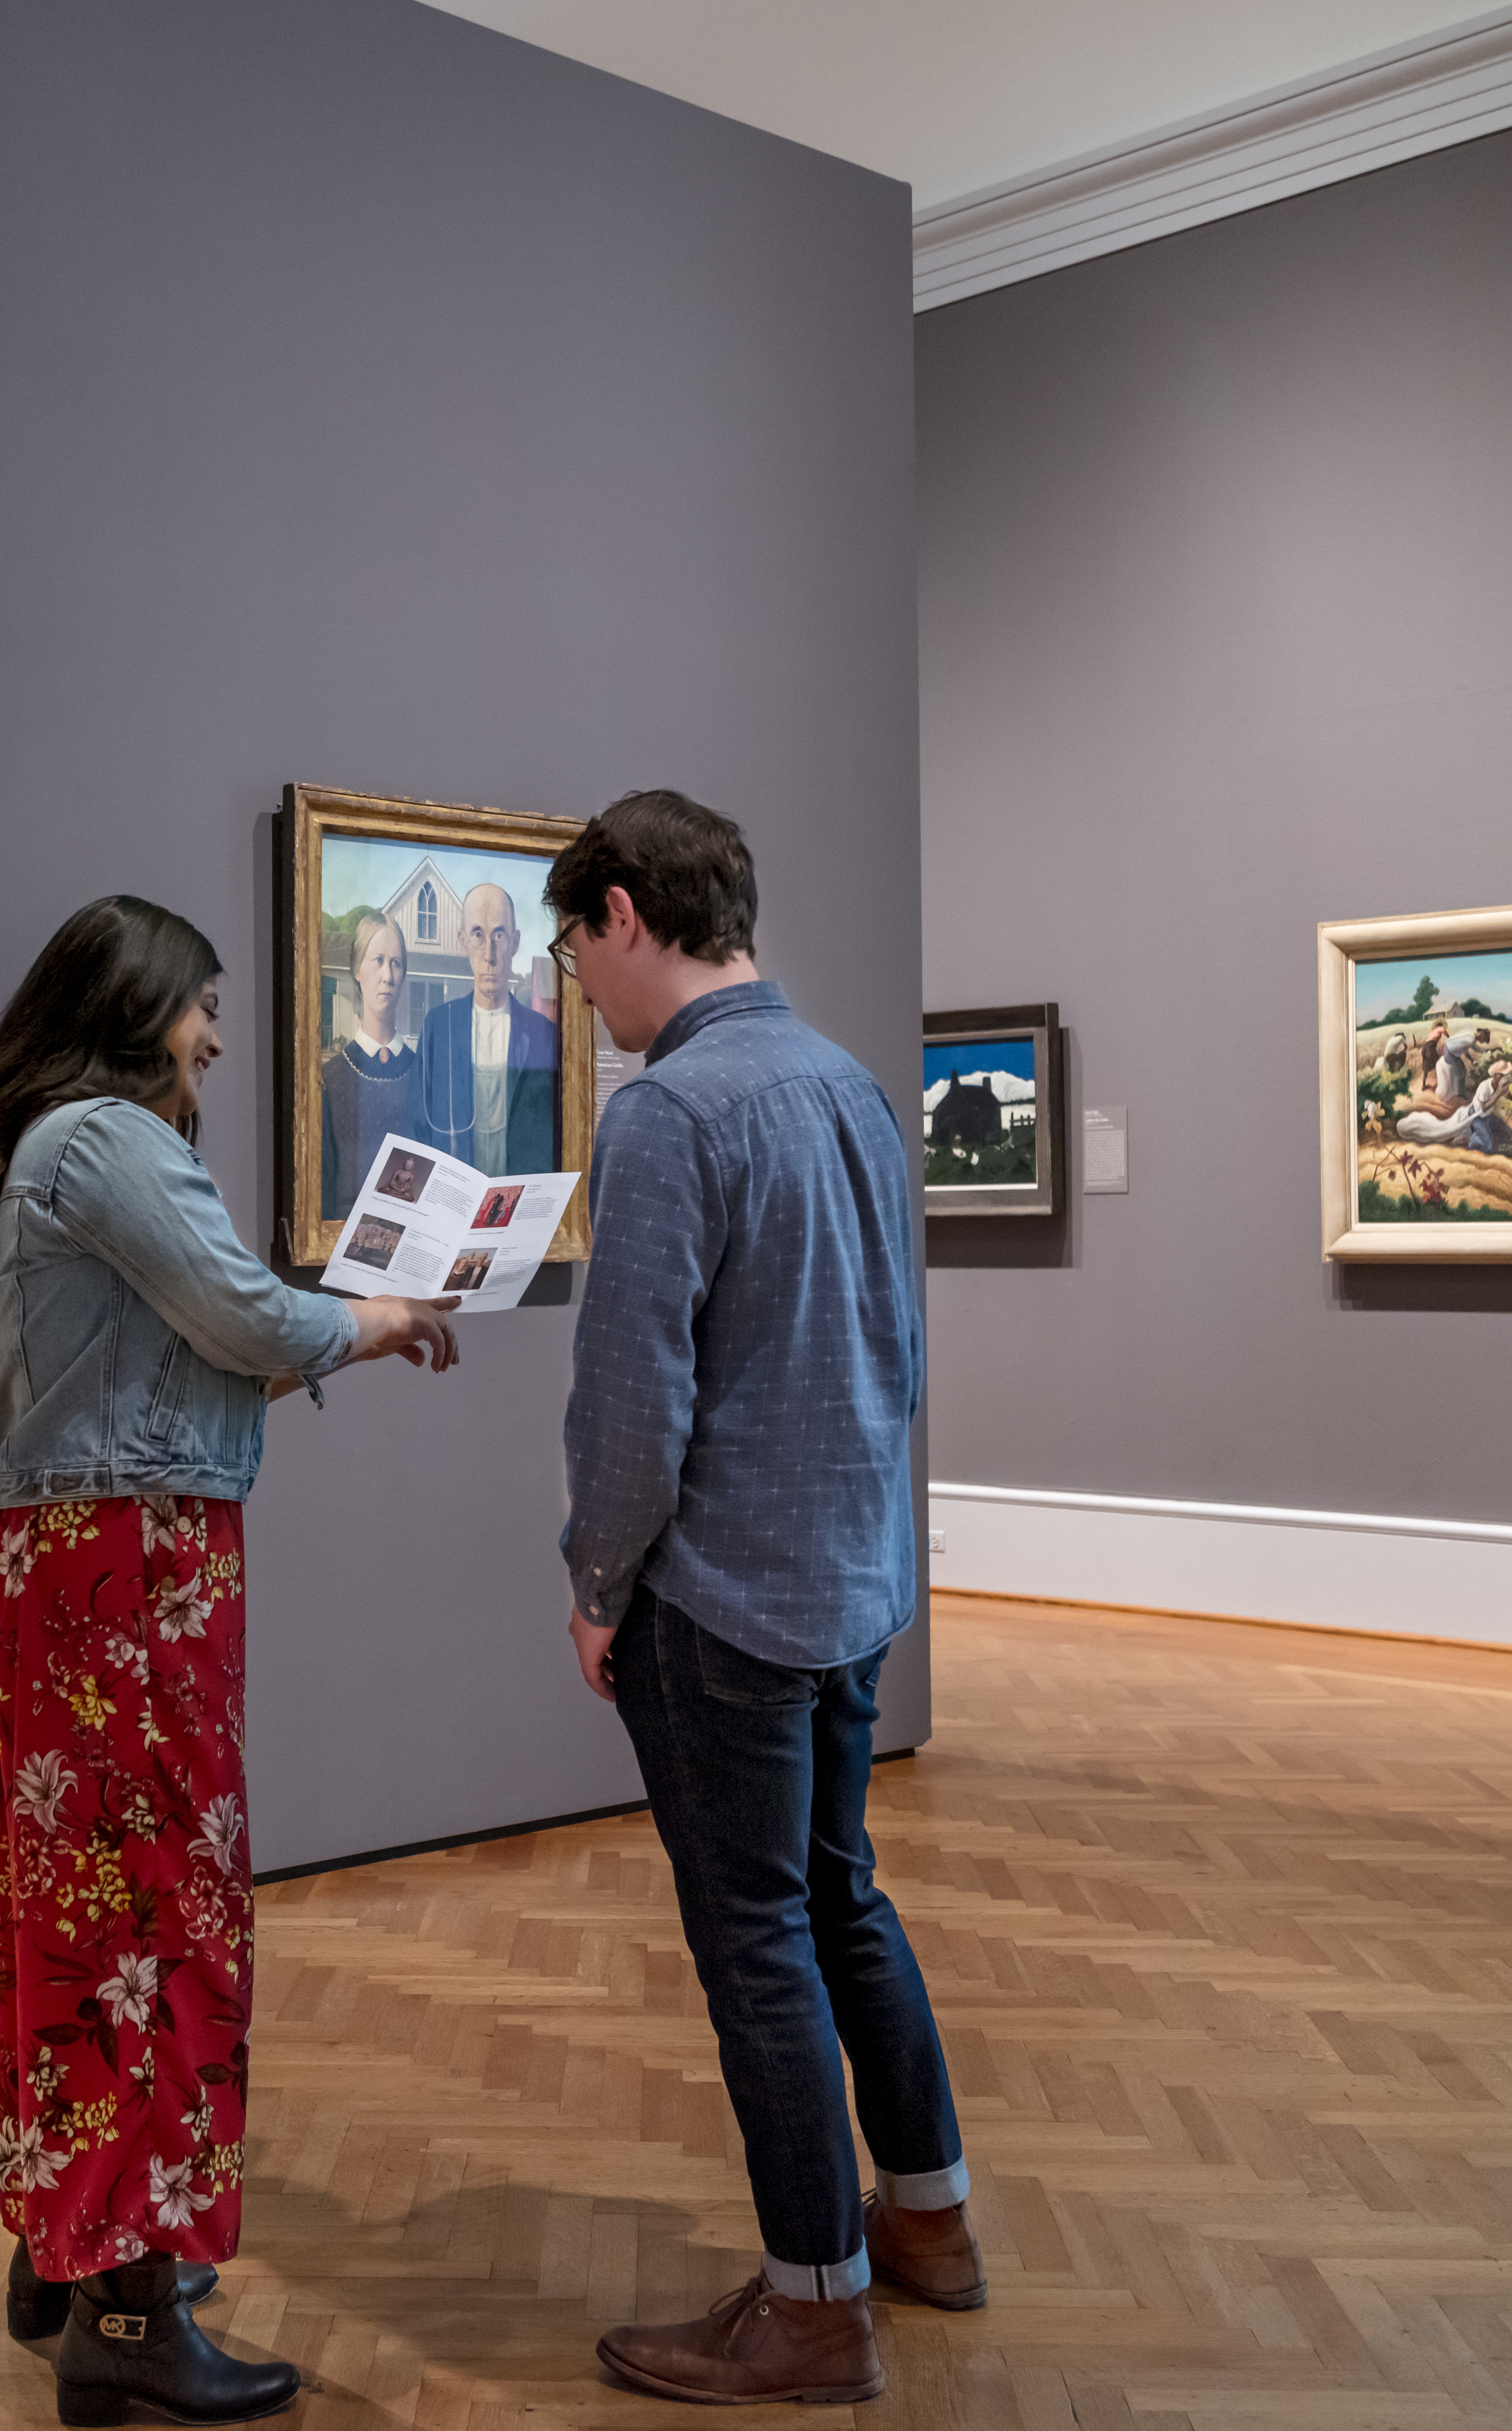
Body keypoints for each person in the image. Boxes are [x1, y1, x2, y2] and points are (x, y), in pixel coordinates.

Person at [0, 895, 460, 2427]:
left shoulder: (41, 1150)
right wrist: (373, 1315)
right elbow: (236, 1310)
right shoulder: (106, 1140)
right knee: (154, 1919)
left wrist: (314, 1329)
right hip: (129, 1572)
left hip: (62, 1560)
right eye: (201, 1005)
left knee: (66, 1906)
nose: (216, 1035)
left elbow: (178, 1338)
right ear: (135, 1003)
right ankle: (128, 2305)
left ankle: (71, 2241)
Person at [542, 793, 973, 2406]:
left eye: (578, 949)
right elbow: (900, 1352)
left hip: (719, 1604)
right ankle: (924, 2223)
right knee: (838, 1894)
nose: (581, 986)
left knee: (754, 1942)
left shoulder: (667, 1115)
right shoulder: (848, 1084)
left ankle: (810, 2305)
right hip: (849, 1585)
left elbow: (629, 1406)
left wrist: (596, 1578)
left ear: (628, 915)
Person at [412, 881, 561, 1174]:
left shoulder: (543, 1034)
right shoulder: (438, 1029)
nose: (490, 955)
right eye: (478, 935)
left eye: (500, 936)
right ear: (462, 941)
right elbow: (418, 1129)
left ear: (515, 943)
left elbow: (556, 1136)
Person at [317, 908, 422, 1220]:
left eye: (396, 964)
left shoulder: (423, 1074)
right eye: (378, 961)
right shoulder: (331, 1078)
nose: (388, 977)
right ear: (357, 970)